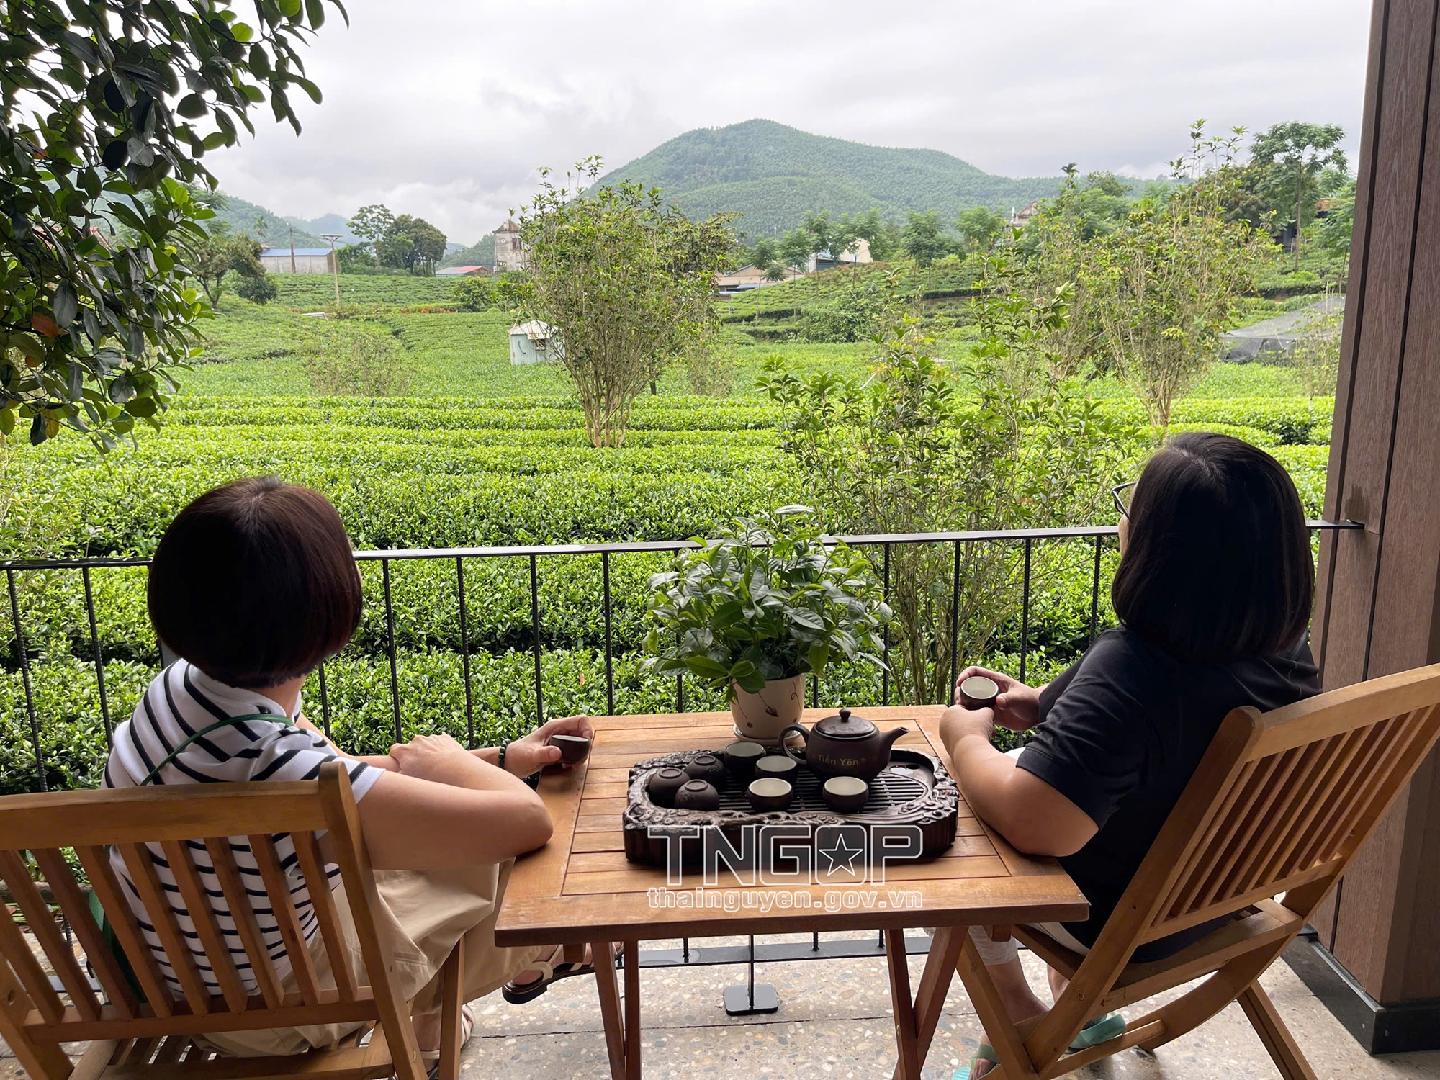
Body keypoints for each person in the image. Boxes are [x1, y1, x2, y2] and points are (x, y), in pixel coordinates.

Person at [103, 476, 595, 1062]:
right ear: (329, 609)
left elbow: (338, 776)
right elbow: (528, 821)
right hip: (279, 1011)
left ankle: (446, 1019)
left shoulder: (178, 690)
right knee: (517, 870)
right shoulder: (281, 766)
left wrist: (499, 759)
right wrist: (454, 763)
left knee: (443, 856)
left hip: (178, 979)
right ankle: (552, 954)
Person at [939, 434, 1320, 1079]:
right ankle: (1081, 1012)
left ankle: (1020, 1019)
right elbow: (1151, 735)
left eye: (1130, 510)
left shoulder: (1137, 671)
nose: (1121, 522)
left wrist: (964, 740)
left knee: (947, 827)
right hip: (1221, 898)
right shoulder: (1284, 652)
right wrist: (1045, 705)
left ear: (1160, 551)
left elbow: (1036, 823)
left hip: (1121, 924)